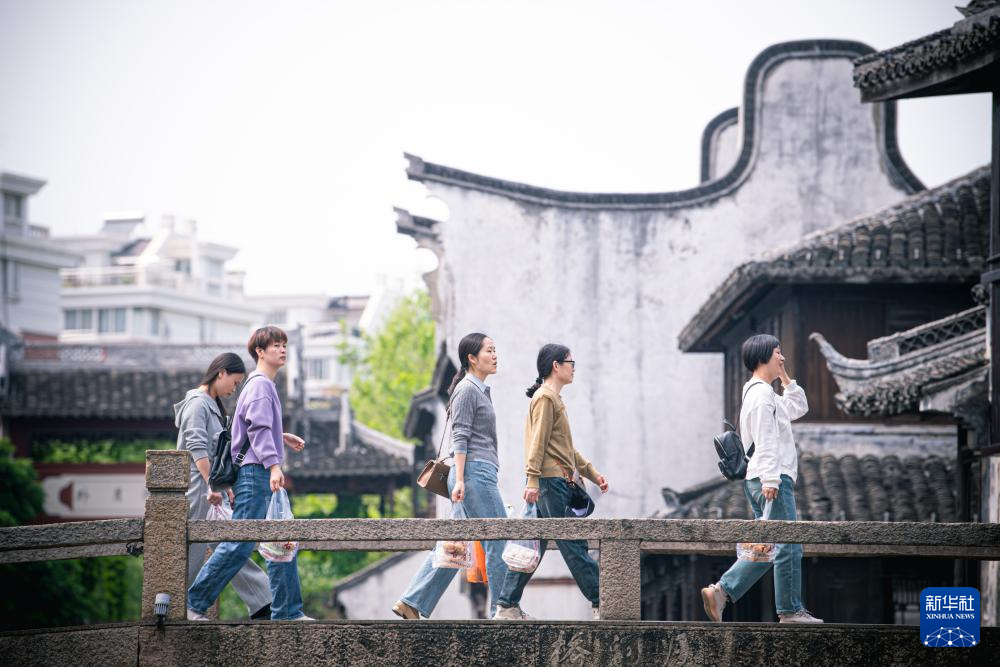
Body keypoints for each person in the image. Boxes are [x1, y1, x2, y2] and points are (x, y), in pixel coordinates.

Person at [187, 326, 312, 621]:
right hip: (256, 474)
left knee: (280, 539)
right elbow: (256, 428)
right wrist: (274, 464)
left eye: (284, 345)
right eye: (275, 345)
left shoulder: (260, 384)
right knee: (240, 542)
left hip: (258, 472)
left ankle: (287, 611)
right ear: (260, 351)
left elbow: (253, 425)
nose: (282, 350)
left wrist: (281, 436)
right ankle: (194, 603)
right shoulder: (260, 385)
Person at [701, 334, 823, 624]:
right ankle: (790, 611)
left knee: (767, 545)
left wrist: (785, 378)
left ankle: (721, 592)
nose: (783, 357)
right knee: (788, 544)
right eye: (778, 352)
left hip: (762, 478)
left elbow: (798, 407)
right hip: (771, 478)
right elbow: (766, 440)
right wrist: (771, 480)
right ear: (762, 357)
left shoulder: (764, 393)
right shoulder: (760, 396)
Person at [392, 333, 510, 620]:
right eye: (489, 350)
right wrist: (459, 479)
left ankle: (411, 601)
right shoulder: (468, 389)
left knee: (455, 546)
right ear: (472, 358)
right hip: (474, 473)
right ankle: (503, 609)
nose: (495, 355)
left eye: (495, 350)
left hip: (472, 473)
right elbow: (460, 436)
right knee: (500, 537)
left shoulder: (476, 389)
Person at [493, 343, 609, 621]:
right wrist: (532, 480)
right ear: (556, 366)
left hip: (553, 481)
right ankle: (602, 598)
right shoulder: (545, 398)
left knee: (533, 544)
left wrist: (593, 474)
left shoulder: (552, 398)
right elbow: (538, 443)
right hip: (550, 483)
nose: (574, 368)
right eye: (571, 362)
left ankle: (507, 605)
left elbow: (566, 449)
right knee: (572, 543)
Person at [174, 352, 272, 620]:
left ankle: (263, 601)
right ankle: (180, 607)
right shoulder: (197, 404)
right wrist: (213, 485)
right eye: (235, 382)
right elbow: (197, 449)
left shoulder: (213, 407)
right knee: (196, 551)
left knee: (231, 545)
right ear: (221, 373)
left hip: (212, 491)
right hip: (199, 490)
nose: (235, 389)